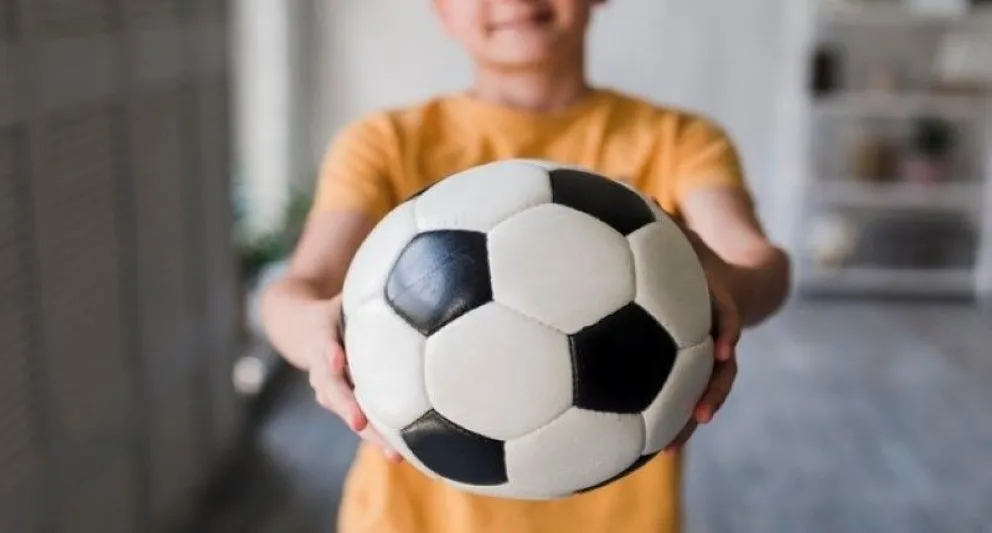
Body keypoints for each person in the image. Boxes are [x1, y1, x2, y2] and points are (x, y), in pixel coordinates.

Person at [260, 0, 791, 531]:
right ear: (441, 10)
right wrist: (315, 335)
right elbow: (296, 290)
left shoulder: (678, 140)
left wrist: (726, 289)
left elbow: (759, 262)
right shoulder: (385, 144)